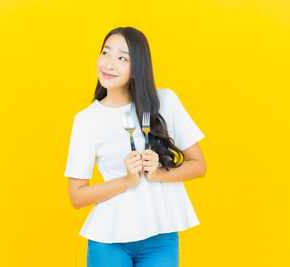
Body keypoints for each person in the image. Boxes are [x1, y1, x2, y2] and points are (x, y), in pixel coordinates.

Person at [64, 27, 207, 267]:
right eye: (105, 53)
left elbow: (198, 166)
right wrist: (127, 180)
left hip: (161, 236)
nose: (109, 64)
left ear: (137, 68)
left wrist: (159, 173)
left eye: (122, 58)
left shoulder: (165, 102)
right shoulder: (86, 120)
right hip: (109, 239)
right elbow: (77, 196)